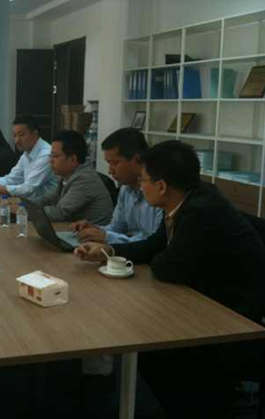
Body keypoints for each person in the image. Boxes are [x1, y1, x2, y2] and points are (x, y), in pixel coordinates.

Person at [74, 140, 265, 418]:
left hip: (237, 317)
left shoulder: (201, 212)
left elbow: (167, 267)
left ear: (162, 186)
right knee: (149, 342)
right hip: (208, 298)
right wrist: (108, 251)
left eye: (144, 180)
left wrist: (159, 253)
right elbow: (155, 246)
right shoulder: (186, 199)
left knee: (153, 348)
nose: (141, 187)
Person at [71, 128, 163, 243]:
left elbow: (154, 244)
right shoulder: (126, 189)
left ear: (136, 159)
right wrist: (95, 229)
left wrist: (106, 237)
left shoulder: (159, 192)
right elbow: (117, 228)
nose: (110, 171)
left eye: (114, 163)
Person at [0, 116, 57, 204]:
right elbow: (12, 178)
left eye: (21, 135)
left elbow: (29, 188)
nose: (17, 141)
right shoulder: (26, 154)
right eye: (14, 136)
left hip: (45, 207)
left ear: (35, 134)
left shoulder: (46, 155)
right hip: (29, 203)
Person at [39, 130, 113, 223]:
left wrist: (29, 212)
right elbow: (47, 199)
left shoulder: (84, 179)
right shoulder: (66, 176)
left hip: (93, 231)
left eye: (55, 156)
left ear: (72, 159)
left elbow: (58, 213)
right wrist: (26, 205)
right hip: (73, 229)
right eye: (51, 155)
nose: (51, 161)